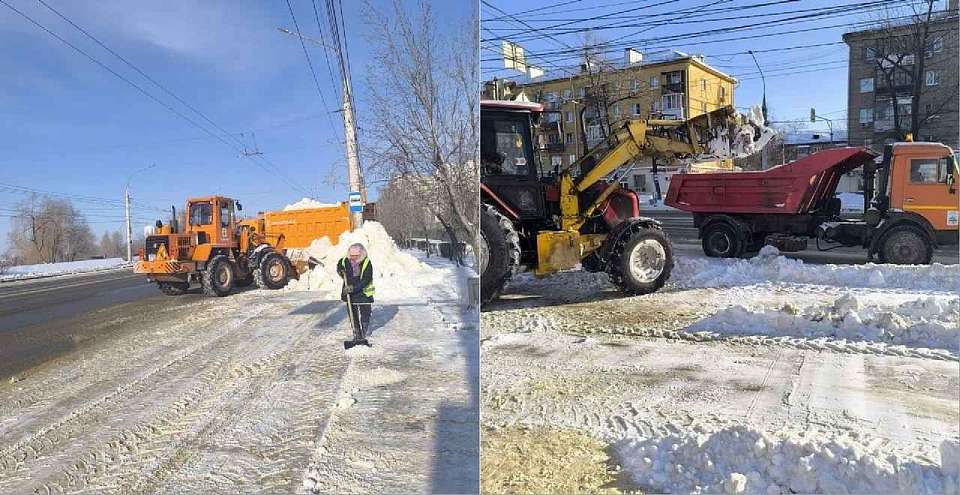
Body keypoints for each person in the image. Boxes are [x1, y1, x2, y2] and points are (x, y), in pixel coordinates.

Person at [337, 243, 375, 347]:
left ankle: (363, 333)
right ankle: (357, 333)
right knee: (353, 314)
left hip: (363, 293)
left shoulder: (367, 262)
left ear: (361, 254)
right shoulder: (345, 260)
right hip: (350, 294)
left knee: (365, 313)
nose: (353, 258)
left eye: (356, 256)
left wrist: (354, 288)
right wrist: (340, 270)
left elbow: (366, 279)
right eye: (352, 255)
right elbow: (339, 265)